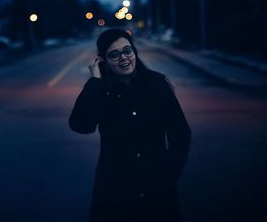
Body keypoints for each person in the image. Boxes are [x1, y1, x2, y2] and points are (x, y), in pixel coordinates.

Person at [68, 28, 191, 222]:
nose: (123, 58)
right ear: (103, 61)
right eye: (114, 55)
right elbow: (81, 125)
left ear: (134, 51)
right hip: (115, 191)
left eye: (127, 51)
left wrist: (169, 174)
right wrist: (94, 82)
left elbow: (181, 134)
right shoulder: (101, 90)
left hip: (158, 190)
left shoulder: (157, 84)